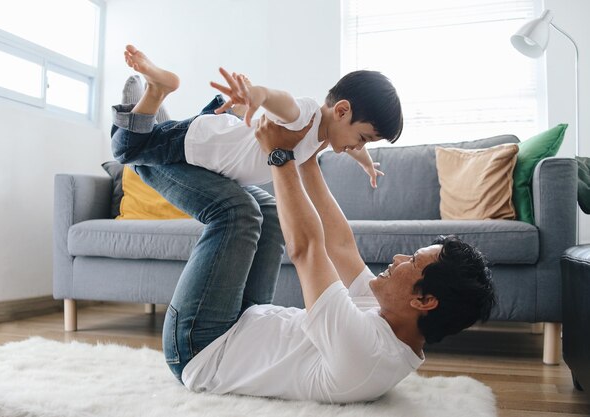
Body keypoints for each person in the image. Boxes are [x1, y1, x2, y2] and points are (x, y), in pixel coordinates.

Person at [110, 59, 496, 405]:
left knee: (236, 212)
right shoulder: (393, 317)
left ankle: (138, 137)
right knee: (271, 210)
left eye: (413, 261)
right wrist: (304, 157)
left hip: (201, 348)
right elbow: (341, 245)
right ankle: (149, 131)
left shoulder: (366, 353)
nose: (397, 259)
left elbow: (308, 249)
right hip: (244, 319)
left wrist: (281, 158)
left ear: (424, 300)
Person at [111, 45, 403, 189]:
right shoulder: (307, 116)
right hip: (198, 145)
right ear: (341, 111)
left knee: (170, 131)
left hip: (220, 135)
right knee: (127, 149)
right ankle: (156, 90)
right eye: (362, 138)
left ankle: (231, 109)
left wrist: (366, 164)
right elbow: (283, 102)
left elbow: (352, 147)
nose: (358, 146)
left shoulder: (327, 135)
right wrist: (259, 95)